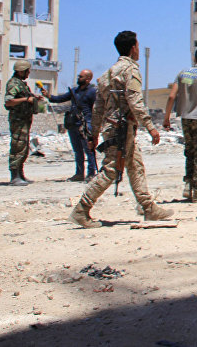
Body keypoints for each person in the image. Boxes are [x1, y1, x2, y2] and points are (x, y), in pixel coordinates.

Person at [69, 31, 173, 227]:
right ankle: (81, 209)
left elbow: (98, 109)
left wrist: (94, 134)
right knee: (110, 170)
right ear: (133, 47)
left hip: (115, 128)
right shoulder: (130, 71)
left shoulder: (106, 75)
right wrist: (151, 127)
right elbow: (135, 101)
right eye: (138, 45)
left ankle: (148, 207)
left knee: (135, 167)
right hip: (121, 129)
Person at [164, 46, 197, 202]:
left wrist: (167, 117)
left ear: (194, 58)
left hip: (185, 118)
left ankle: (188, 186)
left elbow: (172, 96)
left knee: (190, 152)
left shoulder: (184, 73)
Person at [43, 69, 98, 181]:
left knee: (89, 150)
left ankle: (91, 173)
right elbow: (59, 99)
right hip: (73, 124)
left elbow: (98, 107)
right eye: (78, 76)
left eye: (81, 77)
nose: (78, 78)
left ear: (88, 79)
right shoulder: (74, 91)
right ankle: (79, 174)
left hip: (85, 124)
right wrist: (49, 96)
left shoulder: (93, 92)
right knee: (77, 151)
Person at [4, 60, 38, 186]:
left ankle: (20, 174)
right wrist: (26, 99)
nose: (28, 73)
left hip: (24, 120)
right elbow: (9, 101)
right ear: (21, 71)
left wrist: (33, 98)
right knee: (17, 146)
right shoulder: (13, 84)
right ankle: (14, 176)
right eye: (27, 71)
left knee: (23, 148)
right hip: (18, 121)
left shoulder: (21, 84)